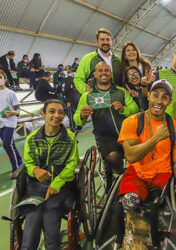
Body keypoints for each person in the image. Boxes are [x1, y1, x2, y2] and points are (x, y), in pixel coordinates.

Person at [117, 79, 176, 246]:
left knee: (152, 209)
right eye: (155, 95)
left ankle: (141, 237)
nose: (159, 101)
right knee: (129, 202)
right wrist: (156, 138)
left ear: (169, 101)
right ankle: (139, 236)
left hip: (162, 178)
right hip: (137, 174)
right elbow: (131, 156)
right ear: (148, 96)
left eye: (164, 97)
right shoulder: (132, 122)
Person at [21, 99, 79, 250]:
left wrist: (56, 184)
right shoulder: (32, 138)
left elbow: (71, 165)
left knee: (50, 216)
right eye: (52, 111)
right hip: (35, 189)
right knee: (33, 218)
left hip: (61, 190)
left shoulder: (70, 138)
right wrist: (35, 170)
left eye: (60, 112)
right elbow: (28, 162)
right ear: (43, 114)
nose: (57, 115)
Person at [74, 62, 138, 190]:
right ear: (95, 74)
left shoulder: (120, 92)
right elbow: (77, 120)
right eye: (100, 70)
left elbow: (135, 109)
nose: (104, 73)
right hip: (105, 137)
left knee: (140, 153)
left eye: (107, 70)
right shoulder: (87, 96)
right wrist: (81, 115)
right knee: (113, 157)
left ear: (111, 74)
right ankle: (122, 176)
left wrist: (124, 108)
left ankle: (134, 179)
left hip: (126, 133)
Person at [74, 28, 122, 94]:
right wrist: (85, 90)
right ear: (97, 41)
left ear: (111, 41)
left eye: (108, 39)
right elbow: (78, 79)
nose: (105, 42)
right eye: (102, 39)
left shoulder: (118, 59)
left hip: (116, 99)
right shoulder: (88, 58)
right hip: (96, 100)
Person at [0, 70, 22, 172]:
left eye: (0, 77)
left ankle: (16, 168)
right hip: (0, 123)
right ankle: (20, 162)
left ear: (5, 79)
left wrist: (14, 113)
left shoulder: (10, 93)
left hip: (10, 122)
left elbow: (17, 109)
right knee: (11, 144)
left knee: (6, 144)